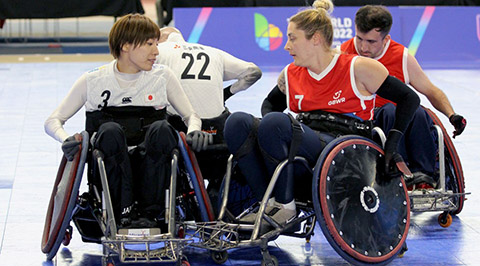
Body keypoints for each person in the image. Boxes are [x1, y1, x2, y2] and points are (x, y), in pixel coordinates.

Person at [224, 0, 420, 226]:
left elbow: (409, 98)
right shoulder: (291, 73)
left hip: (344, 148)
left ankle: (286, 208)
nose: (287, 46)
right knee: (237, 122)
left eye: (292, 38)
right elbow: (269, 104)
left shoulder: (358, 67)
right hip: (307, 138)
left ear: (315, 39)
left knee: (276, 123)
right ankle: (267, 202)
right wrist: (269, 132)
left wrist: (392, 143)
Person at [44, 14, 211, 228]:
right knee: (111, 131)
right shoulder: (93, 80)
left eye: (156, 44)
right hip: (109, 162)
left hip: (151, 160)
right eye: (149, 44)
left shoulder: (162, 76)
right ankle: (123, 211)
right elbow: (53, 120)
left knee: (163, 128)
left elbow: (191, 116)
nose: (157, 51)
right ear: (126, 46)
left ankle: (151, 213)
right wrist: (66, 139)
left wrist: (193, 130)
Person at [340, 5, 467, 189]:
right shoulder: (344, 53)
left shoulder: (401, 57)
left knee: (417, 110)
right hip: (365, 120)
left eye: (371, 41)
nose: (363, 47)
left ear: (386, 39)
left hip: (400, 117)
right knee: (391, 111)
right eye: (359, 38)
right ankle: (400, 173)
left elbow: (430, 91)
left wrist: (452, 115)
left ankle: (423, 176)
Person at [155, 27, 262, 206]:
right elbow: (253, 72)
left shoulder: (159, 52)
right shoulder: (213, 52)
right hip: (218, 137)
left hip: (183, 136)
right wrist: (226, 93)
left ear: (159, 40)